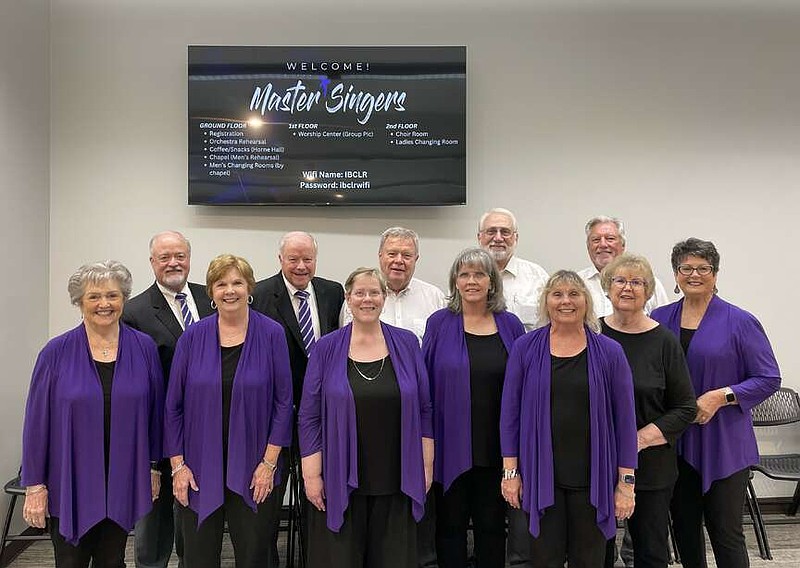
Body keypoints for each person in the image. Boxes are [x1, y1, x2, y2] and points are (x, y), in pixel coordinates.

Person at [21, 260, 164, 568]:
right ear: (79, 302)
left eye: (112, 295)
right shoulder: (55, 352)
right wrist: (34, 486)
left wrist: (153, 469)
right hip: (69, 479)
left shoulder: (144, 348)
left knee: (112, 560)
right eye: (94, 297)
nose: (104, 304)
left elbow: (155, 415)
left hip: (122, 477)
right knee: (70, 561)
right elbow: (36, 423)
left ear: (123, 299)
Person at [651, 238, 781, 568]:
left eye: (703, 268)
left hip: (725, 441)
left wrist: (721, 396)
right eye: (686, 268)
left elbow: (768, 378)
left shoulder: (740, 321)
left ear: (715, 273)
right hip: (674, 444)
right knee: (683, 531)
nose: (694, 274)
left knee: (726, 532)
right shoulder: (658, 318)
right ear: (675, 274)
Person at [500, 270, 638, 568]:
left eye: (574, 294)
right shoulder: (525, 348)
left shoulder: (610, 352)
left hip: (594, 478)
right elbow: (509, 415)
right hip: (540, 476)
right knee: (543, 559)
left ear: (586, 302)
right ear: (546, 302)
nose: (566, 301)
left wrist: (626, 484)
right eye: (557, 294)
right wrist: (510, 473)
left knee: (588, 560)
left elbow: (625, 422)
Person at [299, 267, 434, 568]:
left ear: (384, 298)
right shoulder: (326, 347)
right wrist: (311, 474)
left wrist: (425, 466)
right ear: (348, 299)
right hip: (339, 473)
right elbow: (309, 416)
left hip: (397, 473)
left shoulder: (407, 343)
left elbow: (425, 408)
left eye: (374, 292)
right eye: (359, 293)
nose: (367, 299)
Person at [165, 254, 293, 568]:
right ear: (211, 291)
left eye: (237, 282)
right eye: (221, 284)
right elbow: (173, 408)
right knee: (197, 556)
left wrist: (269, 463)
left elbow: (283, 403)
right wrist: (178, 467)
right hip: (198, 466)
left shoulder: (272, 333)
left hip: (255, 467)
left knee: (254, 555)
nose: (230, 290)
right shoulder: (191, 338)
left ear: (249, 287)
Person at [423, 248, 525, 568]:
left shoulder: (510, 325)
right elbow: (424, 383)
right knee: (450, 527)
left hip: (497, 447)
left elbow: (522, 384)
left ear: (492, 282)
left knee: (493, 527)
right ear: (455, 281)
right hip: (449, 445)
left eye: (479, 274)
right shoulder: (439, 322)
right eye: (464, 274)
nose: (471, 281)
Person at [251, 231, 344, 563]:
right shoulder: (259, 295)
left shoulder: (334, 293)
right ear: (280, 260)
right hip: (276, 417)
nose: (301, 266)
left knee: (318, 499)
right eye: (294, 259)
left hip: (322, 416)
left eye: (308, 259)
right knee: (269, 504)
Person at [599, 254, 696, 568]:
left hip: (651, 465)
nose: (628, 288)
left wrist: (636, 441)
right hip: (596, 463)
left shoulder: (665, 342)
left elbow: (685, 407)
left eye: (637, 282)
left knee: (650, 552)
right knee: (595, 551)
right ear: (607, 287)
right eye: (620, 281)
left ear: (648, 291)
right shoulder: (593, 335)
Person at [123, 230, 214, 568]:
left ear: (190, 259)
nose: (174, 263)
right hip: (159, 431)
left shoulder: (213, 298)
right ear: (152, 263)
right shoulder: (135, 312)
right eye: (165, 257)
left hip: (206, 429)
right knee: (155, 520)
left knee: (196, 519)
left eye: (180, 256)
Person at [341, 227, 446, 343]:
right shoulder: (359, 300)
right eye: (392, 254)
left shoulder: (435, 298)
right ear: (380, 255)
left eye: (406, 255)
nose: (399, 260)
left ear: (416, 259)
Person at [578, 216, 670, 318]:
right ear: (588, 246)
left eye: (610, 239)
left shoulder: (648, 282)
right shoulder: (578, 283)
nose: (603, 244)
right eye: (596, 240)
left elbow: (664, 322)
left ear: (623, 245)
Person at [477, 207, 549, 332]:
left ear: (516, 238)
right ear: (480, 237)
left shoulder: (537, 277)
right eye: (491, 231)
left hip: (528, 350)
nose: (498, 238)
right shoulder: (466, 278)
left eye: (505, 232)